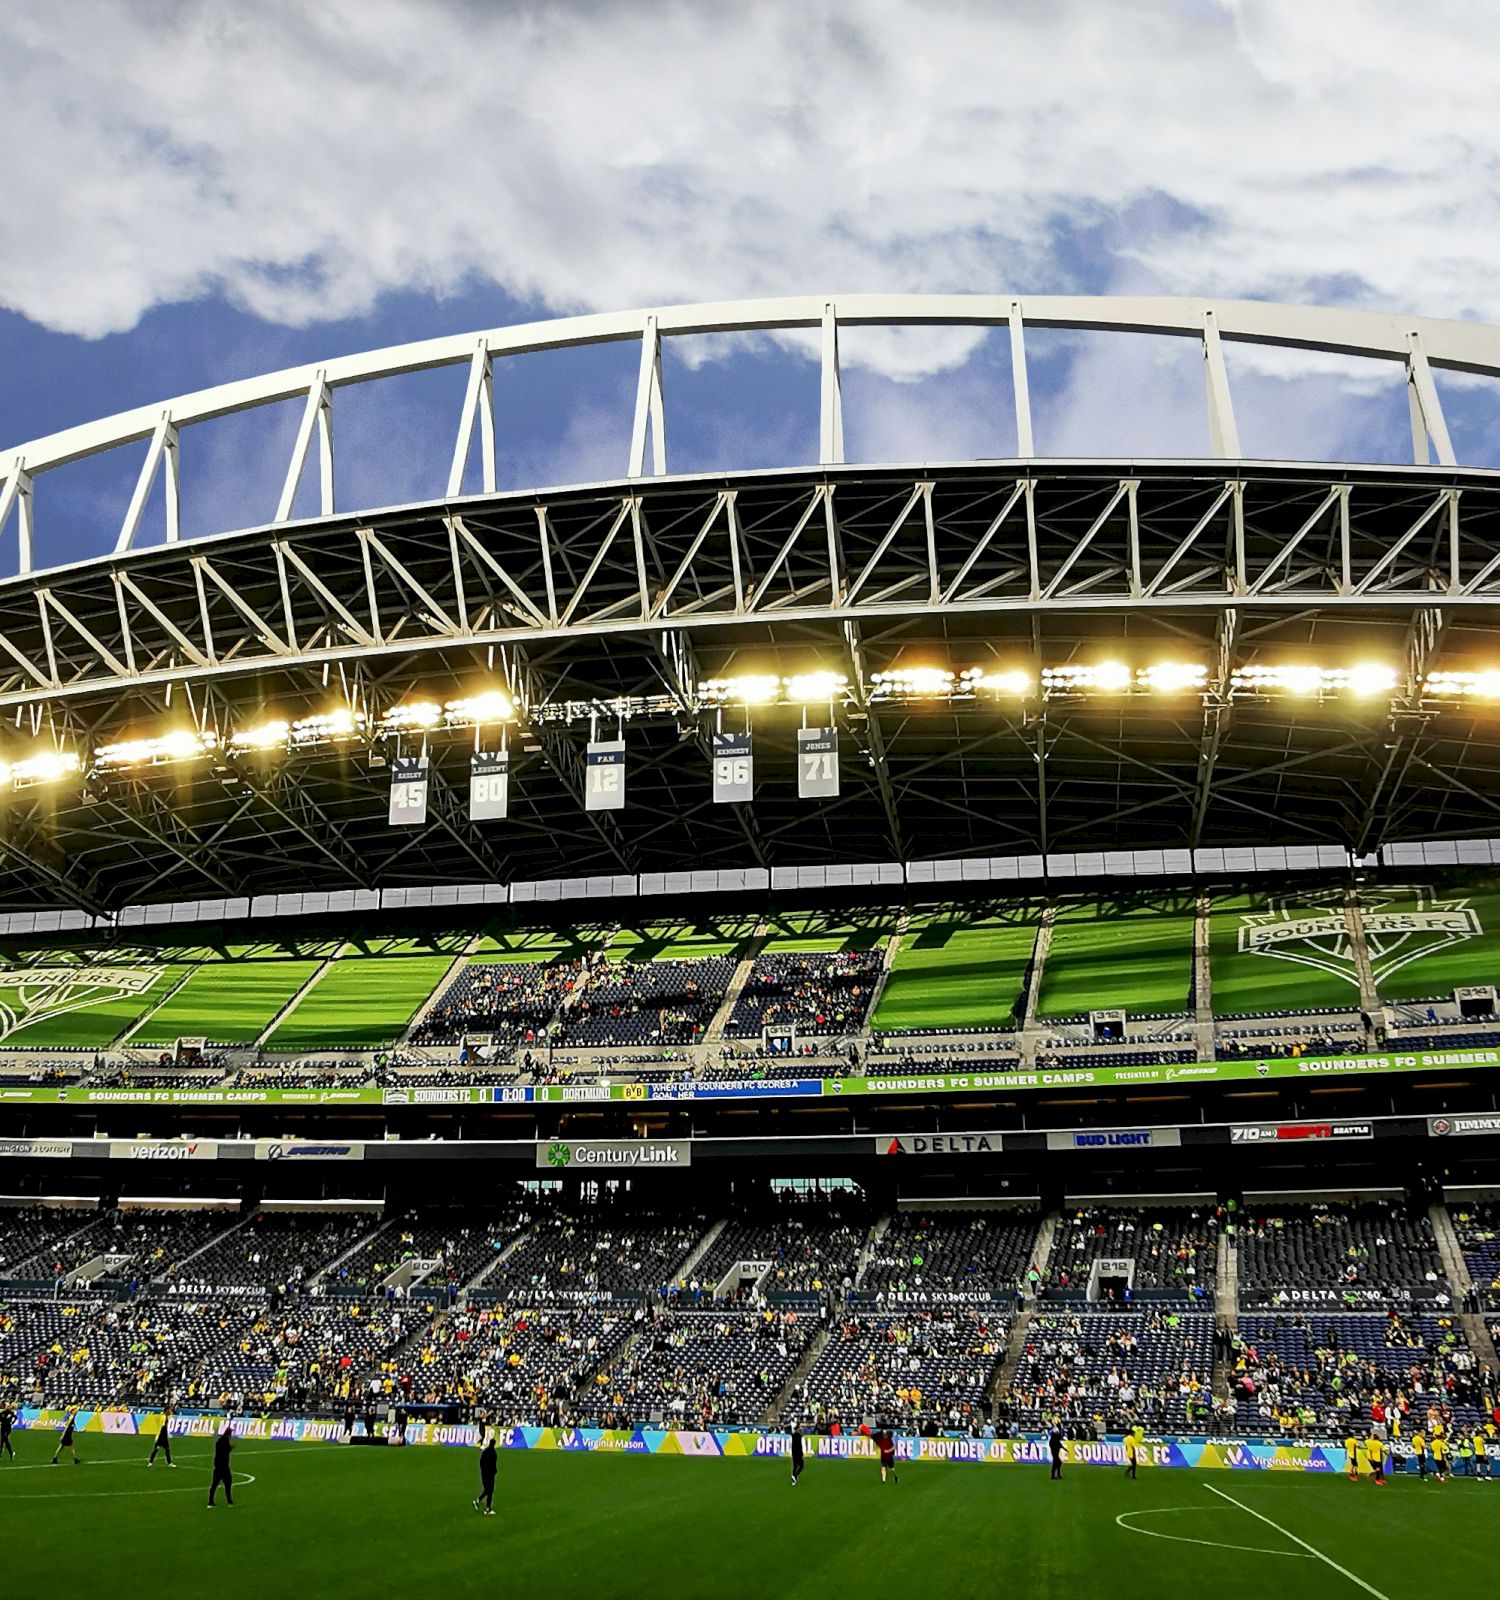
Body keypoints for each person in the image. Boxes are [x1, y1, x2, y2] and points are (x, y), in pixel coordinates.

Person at [474, 1415, 497, 1516]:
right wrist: (494, 1471)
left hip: (484, 1473)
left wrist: (482, 1470)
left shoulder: (485, 1452)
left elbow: (481, 1462)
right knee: (490, 1491)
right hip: (490, 1474)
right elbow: (494, 1464)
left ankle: (479, 1502)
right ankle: (487, 1508)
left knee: (488, 1490)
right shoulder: (493, 1453)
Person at [207, 1423, 234, 1507]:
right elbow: (225, 1451)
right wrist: (231, 1448)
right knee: (228, 1483)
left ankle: (210, 1501)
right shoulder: (225, 1441)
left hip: (218, 1466)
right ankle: (229, 1501)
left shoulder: (219, 1440)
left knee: (214, 1484)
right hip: (224, 1466)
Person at [790, 1422, 805, 1486]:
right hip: (797, 1453)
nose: (801, 1428)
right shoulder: (798, 1435)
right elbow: (799, 1446)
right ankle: (794, 1476)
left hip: (794, 1452)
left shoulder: (794, 1434)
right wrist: (801, 1454)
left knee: (795, 1465)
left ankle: (794, 1478)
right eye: (800, 1427)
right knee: (801, 1465)